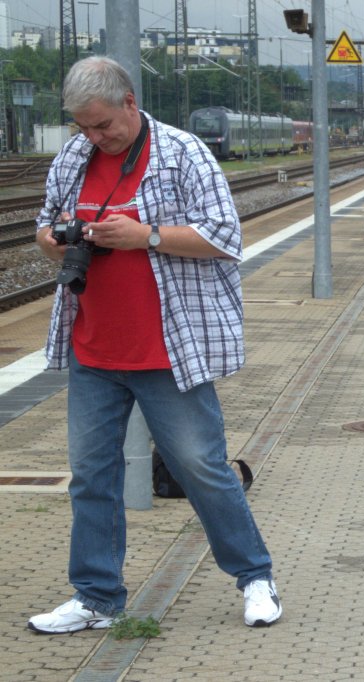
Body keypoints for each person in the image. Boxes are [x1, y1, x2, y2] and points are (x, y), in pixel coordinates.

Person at [28, 56, 281, 634]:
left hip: (168, 349)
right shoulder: (72, 157)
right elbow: (48, 230)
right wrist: (52, 239)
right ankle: (95, 597)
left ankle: (255, 577)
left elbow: (224, 238)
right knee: (91, 475)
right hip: (93, 348)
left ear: (129, 102)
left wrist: (146, 236)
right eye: (82, 127)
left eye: (102, 125)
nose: (93, 137)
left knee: (201, 467)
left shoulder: (183, 154)